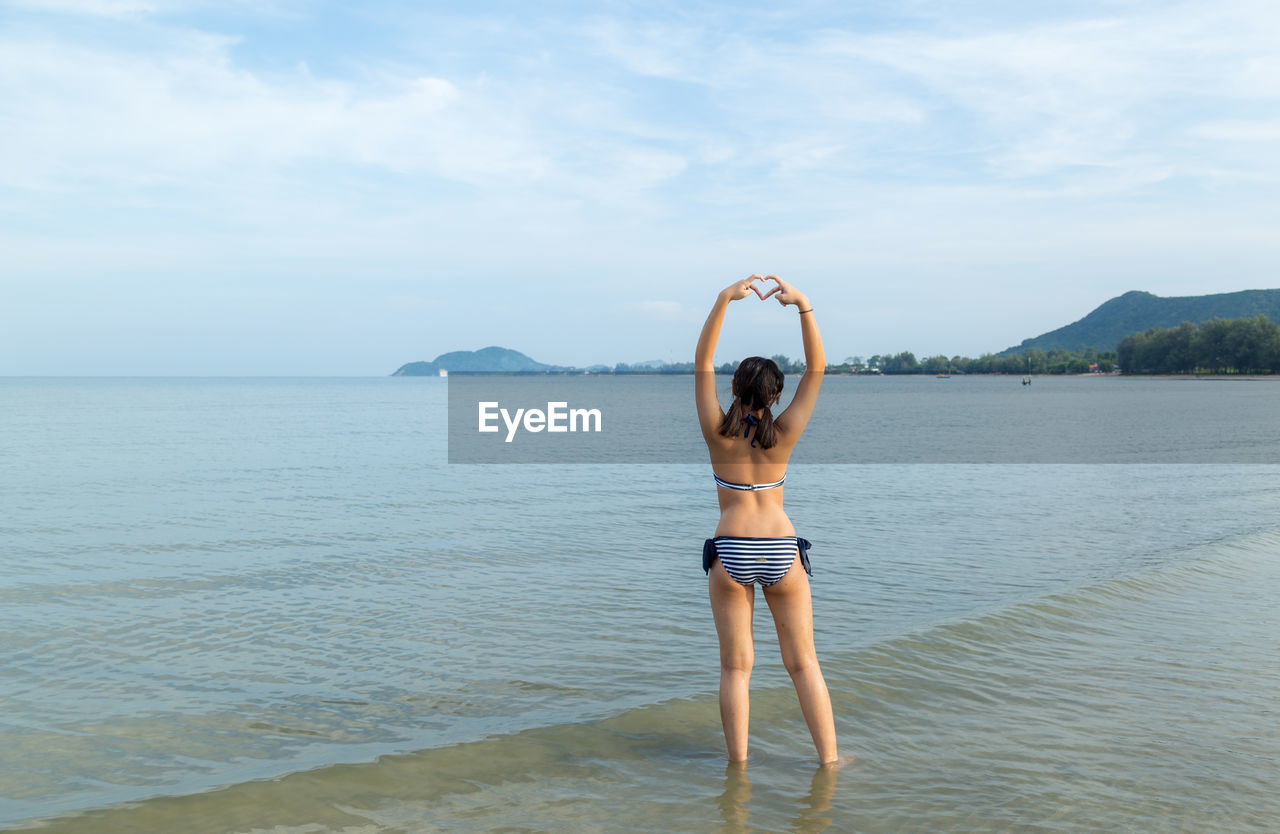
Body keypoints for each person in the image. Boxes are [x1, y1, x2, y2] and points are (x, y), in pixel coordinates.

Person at [694, 274, 841, 766]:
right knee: (803, 664)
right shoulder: (785, 432)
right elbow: (818, 369)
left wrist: (723, 301)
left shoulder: (718, 433)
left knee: (736, 669)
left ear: (734, 388)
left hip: (731, 549)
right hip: (780, 547)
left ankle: (738, 772)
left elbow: (701, 364)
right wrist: (802, 304)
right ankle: (830, 762)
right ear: (777, 395)